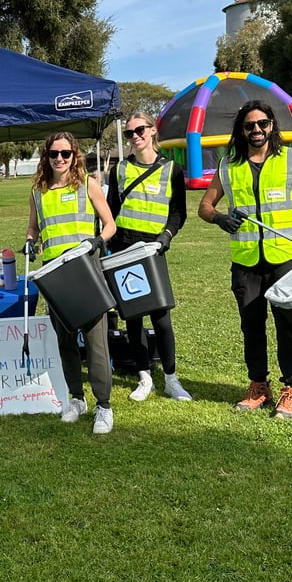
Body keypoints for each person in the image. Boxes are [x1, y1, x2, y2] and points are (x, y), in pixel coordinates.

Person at [198, 100, 292, 420]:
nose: (257, 130)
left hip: (285, 259)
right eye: (250, 126)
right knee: (252, 327)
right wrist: (219, 219)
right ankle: (258, 386)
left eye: (262, 124)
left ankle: (290, 389)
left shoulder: (291, 159)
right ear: (241, 130)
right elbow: (204, 207)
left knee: (288, 326)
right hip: (246, 262)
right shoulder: (229, 165)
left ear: (272, 125)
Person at [25, 132, 117, 434]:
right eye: (54, 154)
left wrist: (96, 241)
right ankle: (77, 399)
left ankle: (103, 405)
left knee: (96, 343)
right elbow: (33, 228)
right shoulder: (37, 191)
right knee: (65, 341)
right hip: (54, 276)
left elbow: (110, 225)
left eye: (65, 153)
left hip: (84, 271)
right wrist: (29, 241)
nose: (60, 159)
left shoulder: (88, 184)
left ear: (74, 154)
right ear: (46, 156)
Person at [106, 112, 190, 402]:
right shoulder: (119, 170)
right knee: (133, 317)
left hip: (153, 250)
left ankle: (171, 379)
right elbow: (110, 212)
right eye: (129, 133)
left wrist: (165, 238)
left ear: (153, 130)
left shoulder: (172, 169)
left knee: (161, 317)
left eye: (139, 130)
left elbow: (179, 212)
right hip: (123, 250)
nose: (135, 137)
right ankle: (144, 378)